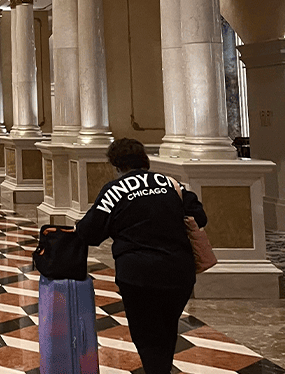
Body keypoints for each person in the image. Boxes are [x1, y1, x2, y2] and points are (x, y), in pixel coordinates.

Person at [76, 138, 208, 374]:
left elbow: (90, 233)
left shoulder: (114, 190)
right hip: (178, 271)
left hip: (138, 274)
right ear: (144, 159)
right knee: (167, 329)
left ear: (116, 165)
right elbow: (200, 217)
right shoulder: (171, 183)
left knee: (146, 334)